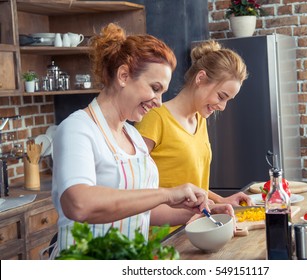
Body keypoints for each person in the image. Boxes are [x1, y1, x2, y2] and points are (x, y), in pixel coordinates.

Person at [51, 23, 233, 255]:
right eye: (154, 88)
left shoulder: (134, 137)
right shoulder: (78, 129)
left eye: (162, 92)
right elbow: (79, 204)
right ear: (124, 75)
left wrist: (203, 211)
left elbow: (145, 211)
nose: (158, 101)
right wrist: (167, 193)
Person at [134, 40, 252, 207]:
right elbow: (134, 187)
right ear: (201, 78)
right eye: (221, 96)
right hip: (166, 231)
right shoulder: (155, 118)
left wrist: (221, 200)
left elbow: (189, 185)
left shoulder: (200, 119)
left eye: (228, 100)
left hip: (197, 226)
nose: (223, 107)